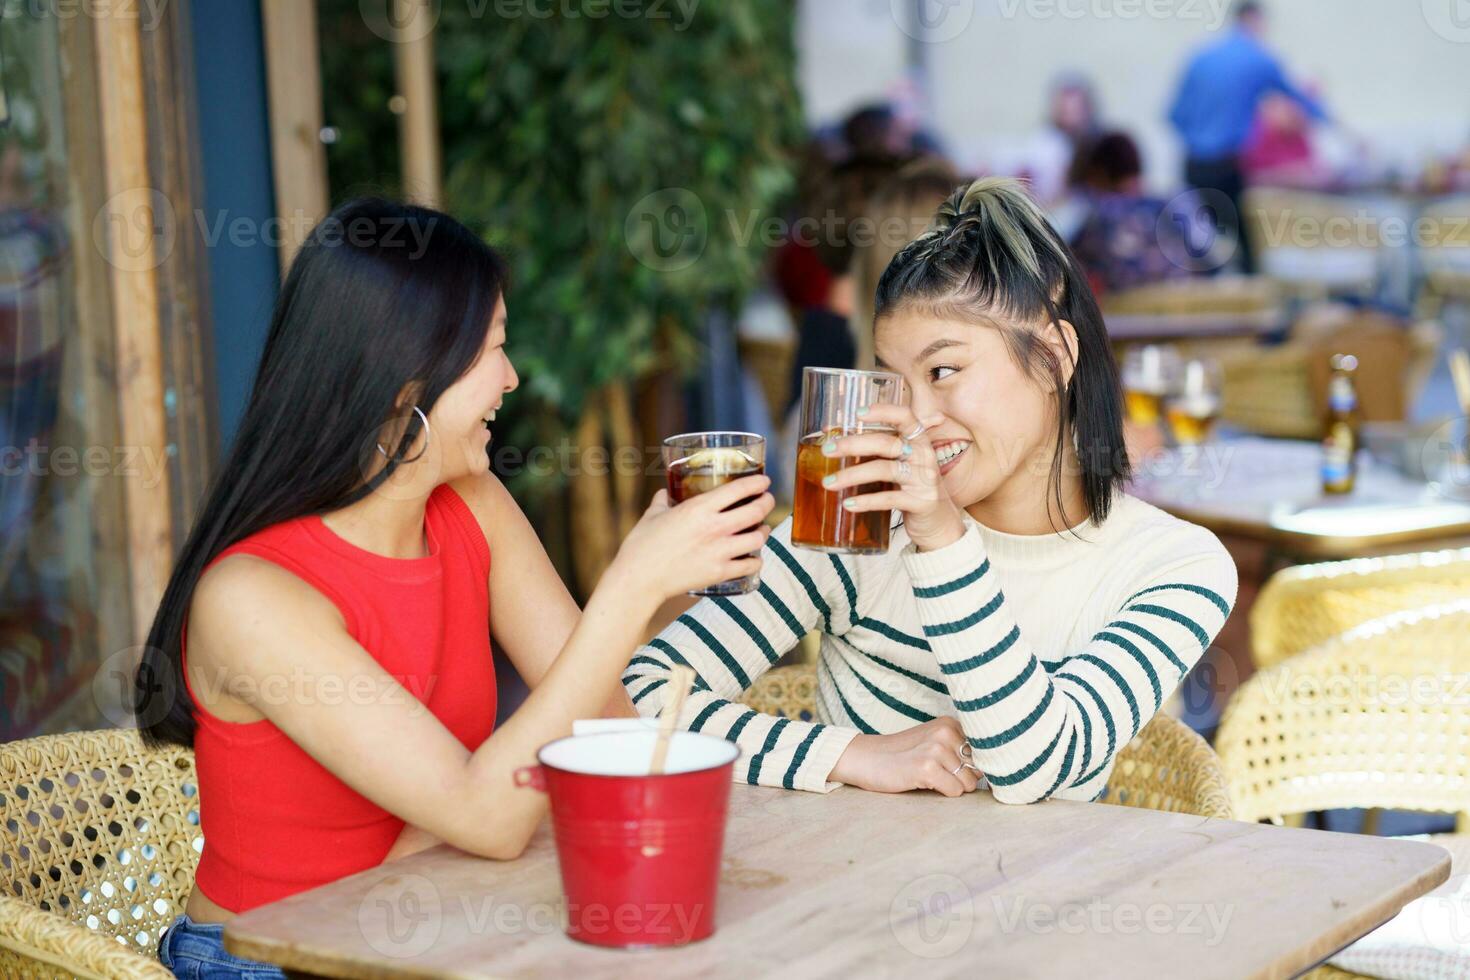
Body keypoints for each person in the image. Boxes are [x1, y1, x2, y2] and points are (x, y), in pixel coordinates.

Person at [136, 199, 774, 977]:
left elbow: (610, 726)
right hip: (275, 963)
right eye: (494, 350)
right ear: (407, 380)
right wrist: (631, 584)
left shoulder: (471, 506)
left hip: (435, 921)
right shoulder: (251, 598)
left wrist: (667, 578)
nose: (510, 378)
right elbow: (490, 818)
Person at [625, 178, 1237, 802]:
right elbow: (641, 698)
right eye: (894, 381)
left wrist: (943, 539)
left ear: (1054, 357)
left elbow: (1032, 767)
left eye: (944, 371)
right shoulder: (854, 519)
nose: (915, 416)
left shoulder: (1176, 565)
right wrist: (850, 756)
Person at [1167, 1, 1327, 272]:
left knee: (1204, 248)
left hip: (1193, 164)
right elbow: (1299, 98)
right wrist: (1336, 125)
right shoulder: (1258, 58)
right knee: (1245, 248)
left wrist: (1201, 138)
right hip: (1228, 165)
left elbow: (1175, 115)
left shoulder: (1199, 58)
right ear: (1254, 22)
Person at [1066, 131, 1198, 295]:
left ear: (1097, 174)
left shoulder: (1100, 218)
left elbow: (1065, 265)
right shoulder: (1169, 208)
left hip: (1131, 314)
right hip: (1187, 305)